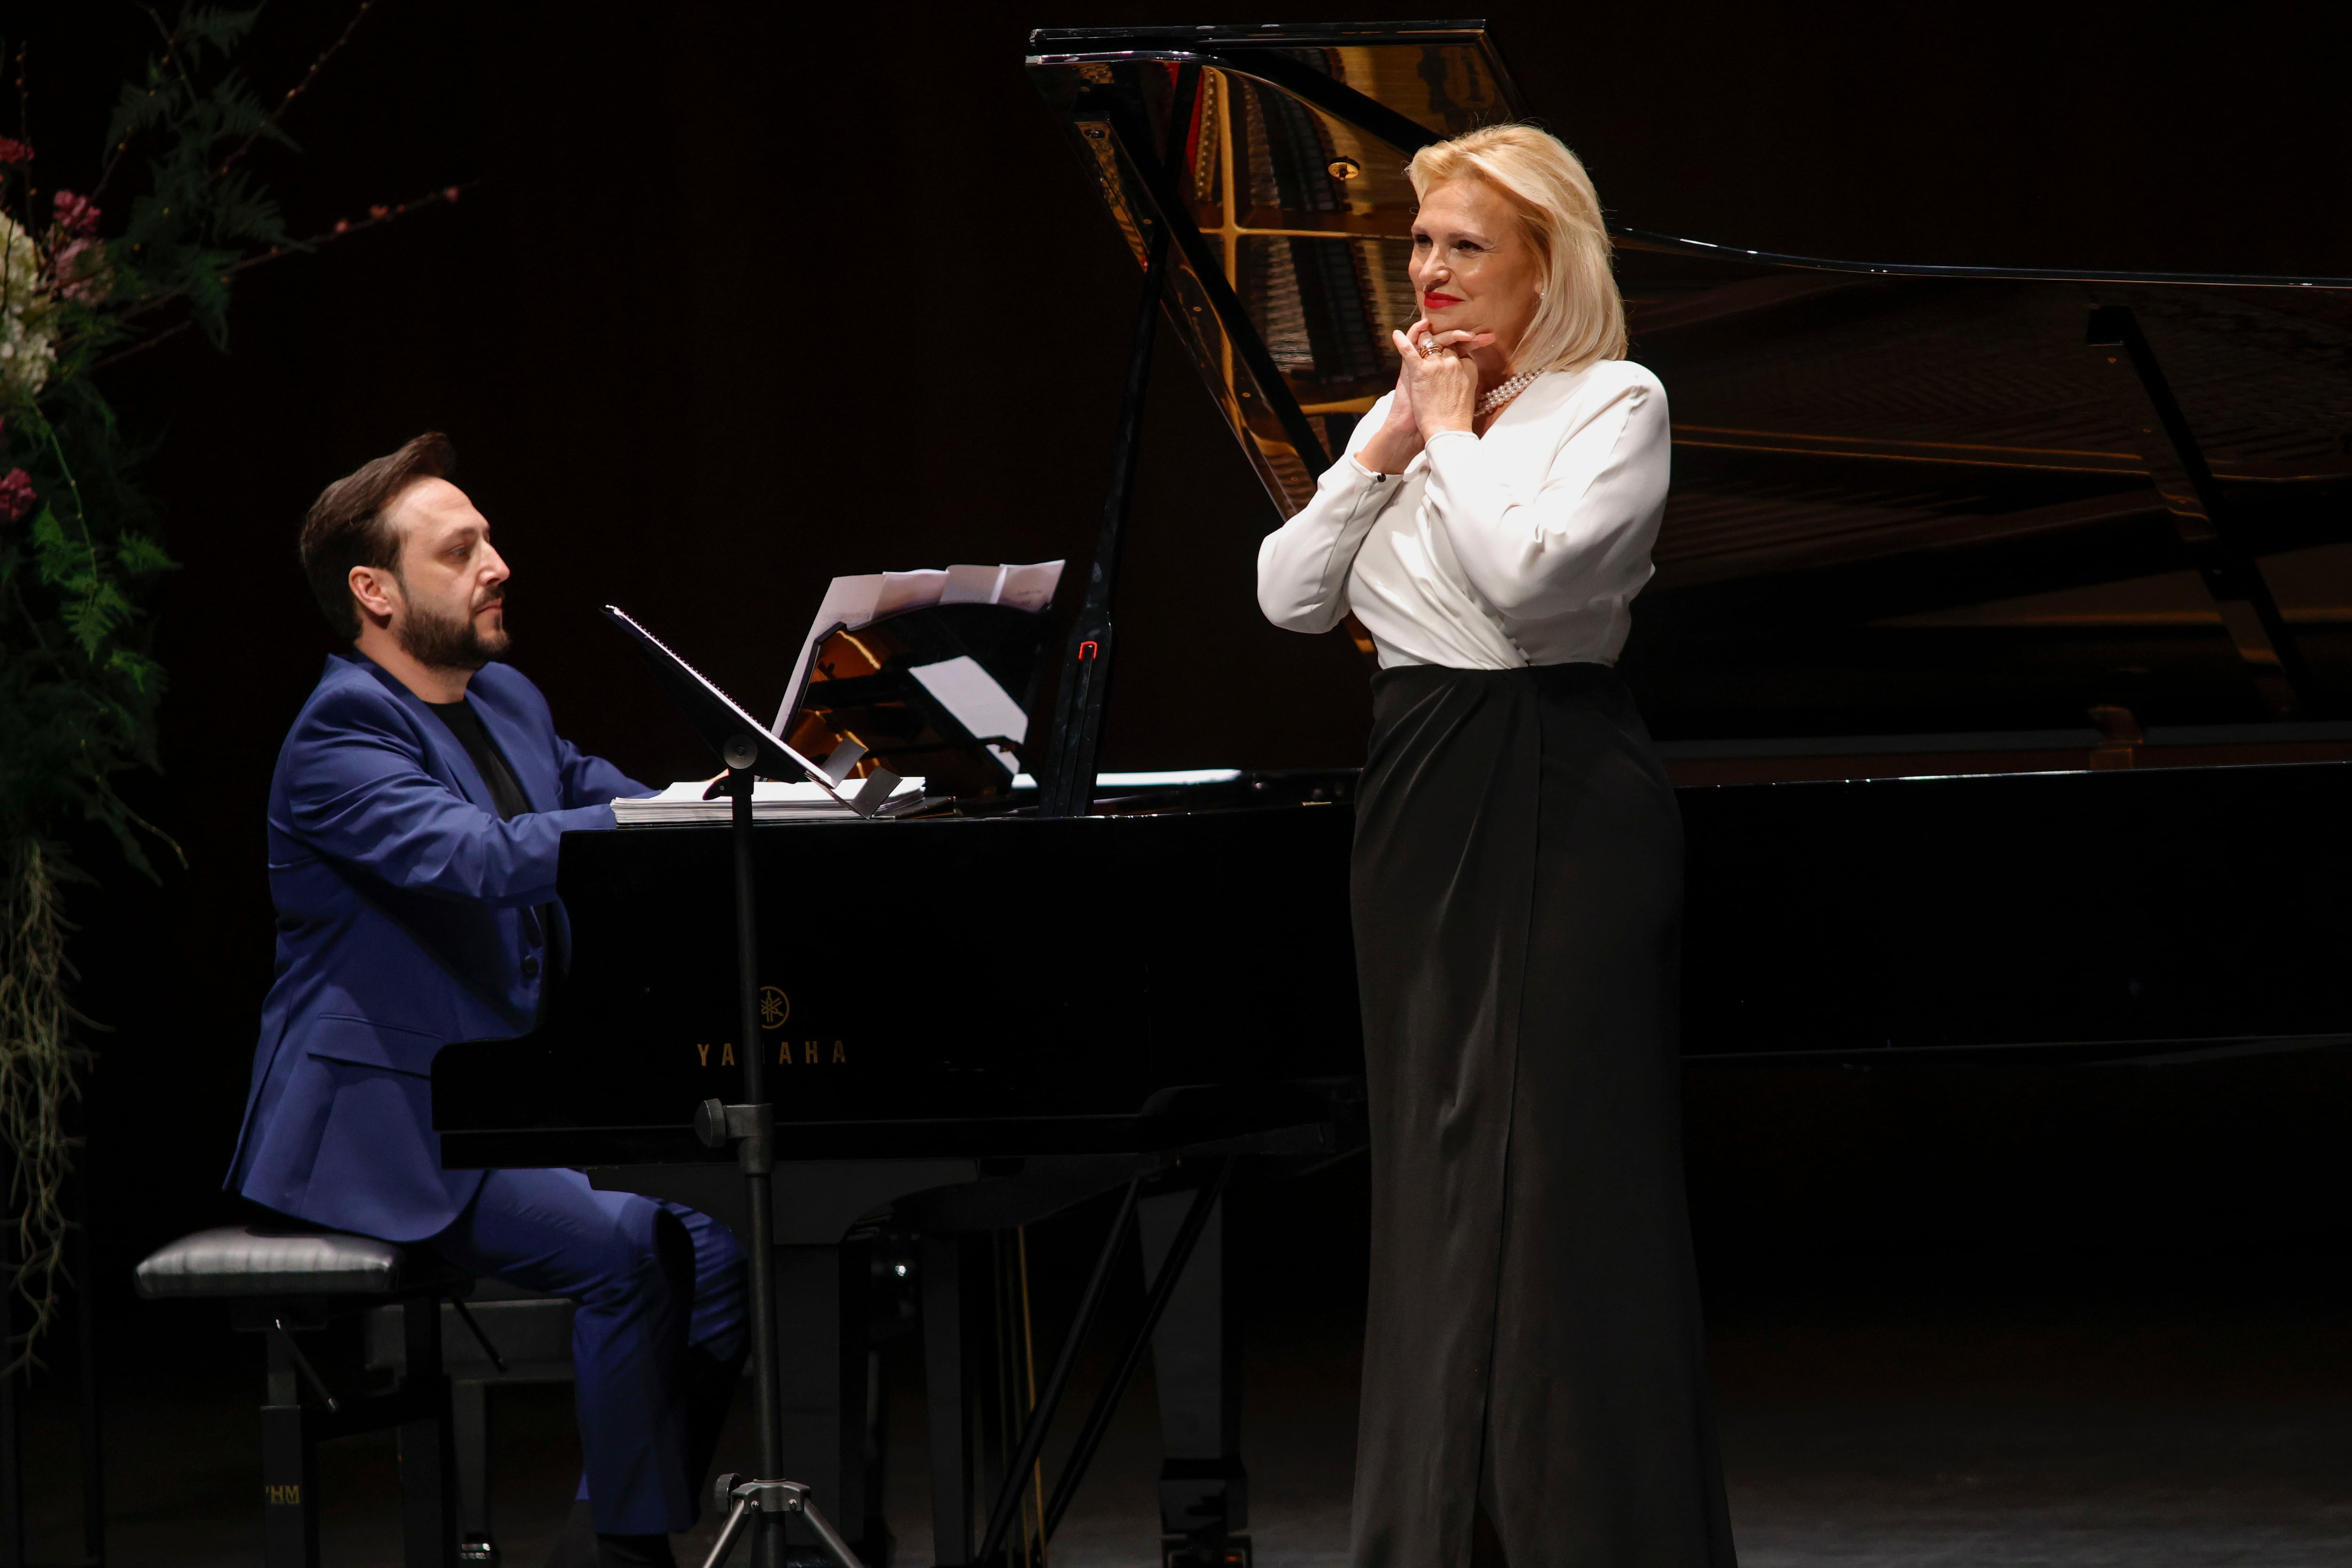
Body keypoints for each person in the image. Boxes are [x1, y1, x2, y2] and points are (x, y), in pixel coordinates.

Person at [1256, 126, 1737, 1567]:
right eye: (1420, 245)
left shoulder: (1615, 400)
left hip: (1557, 783)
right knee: (1437, 1169)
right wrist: (1378, 454)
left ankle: (1592, 1531)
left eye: (1467, 244)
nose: (1432, 271)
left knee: (1561, 1181)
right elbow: (1287, 597)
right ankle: (1440, 1529)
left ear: (1547, 260)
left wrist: (1451, 440)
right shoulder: (1412, 409)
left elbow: (1531, 584)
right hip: (1419, 791)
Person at [225, 434, 745, 1568]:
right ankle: (629, 1550)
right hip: (384, 1125)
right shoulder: (338, 733)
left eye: (491, 540)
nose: (497, 563)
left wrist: (744, 800)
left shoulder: (504, 696)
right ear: (375, 591)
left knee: (721, 1234)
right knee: (633, 1246)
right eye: (460, 550)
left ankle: (611, 1531)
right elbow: (478, 855)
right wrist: (653, 823)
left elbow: (601, 794)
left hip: (496, 1106)